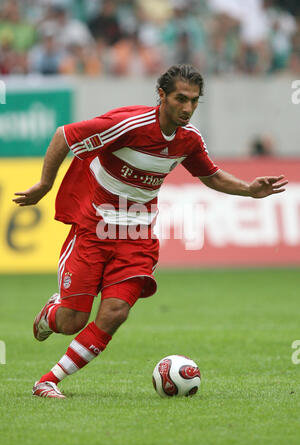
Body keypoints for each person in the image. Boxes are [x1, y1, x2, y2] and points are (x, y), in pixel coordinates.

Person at [13, 64, 287, 399]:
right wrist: (44, 184)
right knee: (72, 321)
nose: (187, 108)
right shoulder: (128, 125)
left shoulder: (189, 139)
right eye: (180, 99)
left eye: (194, 101)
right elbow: (65, 135)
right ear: (161, 95)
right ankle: (49, 314)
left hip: (136, 239)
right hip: (93, 231)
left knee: (116, 312)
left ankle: (48, 380)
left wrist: (248, 189)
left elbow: (211, 175)